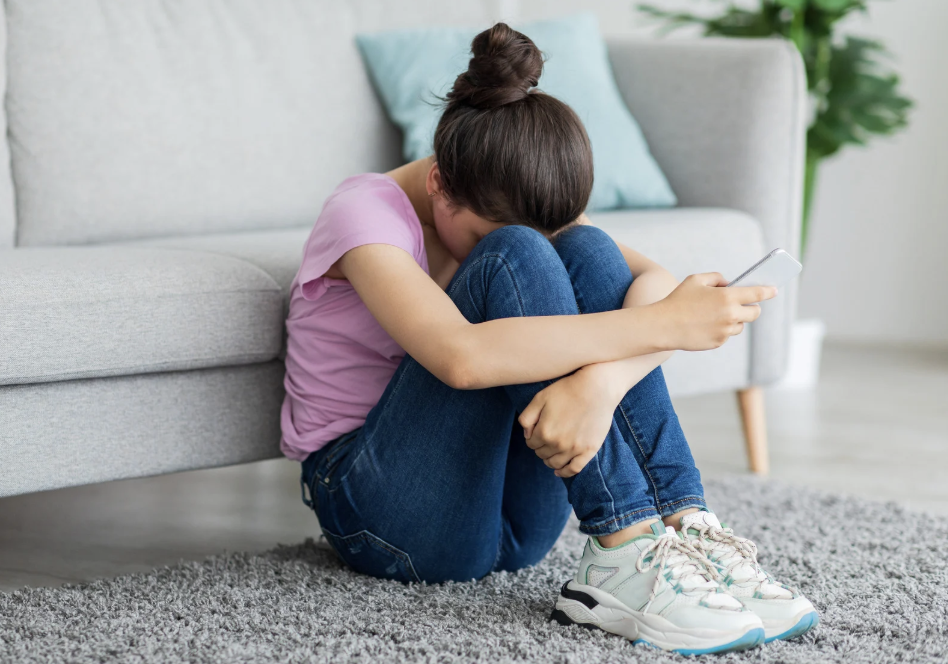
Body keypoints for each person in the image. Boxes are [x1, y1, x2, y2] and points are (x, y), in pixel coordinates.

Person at [281, 22, 818, 655]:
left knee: (585, 247)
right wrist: (668, 325)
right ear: (437, 187)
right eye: (479, 232)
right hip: (378, 511)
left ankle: (682, 527)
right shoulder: (363, 213)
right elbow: (460, 358)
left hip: (516, 523)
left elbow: (653, 280)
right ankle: (625, 544)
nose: (496, 242)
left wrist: (600, 383)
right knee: (520, 255)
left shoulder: (507, 187)